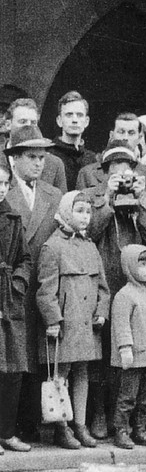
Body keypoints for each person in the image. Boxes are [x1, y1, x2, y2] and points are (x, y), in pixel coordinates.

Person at [81, 139, 146, 440]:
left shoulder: (141, 195)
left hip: (133, 288)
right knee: (102, 356)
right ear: (105, 172)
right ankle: (100, 413)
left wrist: (140, 199)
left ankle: (125, 420)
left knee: (130, 357)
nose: (121, 174)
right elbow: (89, 229)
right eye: (115, 170)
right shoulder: (92, 196)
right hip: (104, 283)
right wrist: (108, 196)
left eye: (126, 169)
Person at [36, 191, 110, 449]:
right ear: (66, 212)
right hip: (66, 324)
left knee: (83, 372)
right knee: (61, 374)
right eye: (79, 210)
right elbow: (46, 290)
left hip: (87, 324)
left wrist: (102, 310)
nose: (85, 217)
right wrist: (53, 320)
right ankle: (61, 426)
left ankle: (80, 423)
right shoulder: (52, 247)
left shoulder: (90, 246)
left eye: (88, 212)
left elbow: (102, 286)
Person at [5, 124, 63, 443]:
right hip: (12, 287)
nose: (39, 163)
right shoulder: (4, 192)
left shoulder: (53, 195)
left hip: (42, 285)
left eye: (42, 157)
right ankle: (8, 425)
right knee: (12, 357)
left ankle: (31, 422)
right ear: (14, 159)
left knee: (37, 355)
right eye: (31, 156)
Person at [110, 245, 146, 449]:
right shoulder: (125, 295)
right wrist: (125, 348)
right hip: (133, 356)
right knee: (127, 397)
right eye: (141, 264)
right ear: (130, 267)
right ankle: (121, 430)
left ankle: (140, 429)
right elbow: (121, 324)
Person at [0, 154, 32, 453]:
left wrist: (18, 282)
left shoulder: (12, 218)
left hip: (9, 300)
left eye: (3, 182)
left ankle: (6, 432)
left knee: (11, 370)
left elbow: (24, 258)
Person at [77, 112, 146, 202]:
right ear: (111, 135)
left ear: (139, 138)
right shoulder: (87, 173)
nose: (125, 138)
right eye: (121, 132)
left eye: (131, 133)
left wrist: (141, 196)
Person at [2, 98, 67, 193]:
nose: (29, 127)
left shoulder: (54, 164)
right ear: (8, 124)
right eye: (23, 122)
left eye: (33, 123)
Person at [49, 91, 97, 191]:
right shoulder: (49, 155)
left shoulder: (93, 159)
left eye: (79, 115)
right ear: (59, 121)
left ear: (86, 121)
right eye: (69, 115)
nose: (74, 120)